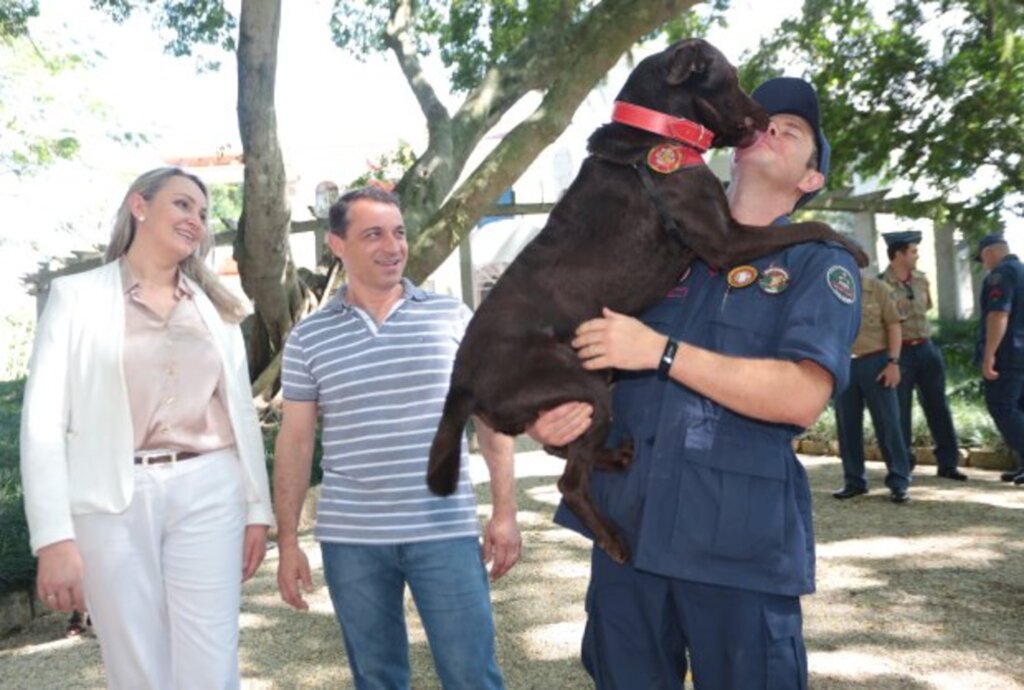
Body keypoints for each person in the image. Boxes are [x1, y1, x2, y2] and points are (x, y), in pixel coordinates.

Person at [530, 77, 861, 689]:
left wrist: (660, 351)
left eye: (790, 133)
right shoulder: (656, 249)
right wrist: (552, 421)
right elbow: (574, 359)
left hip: (735, 549)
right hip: (628, 538)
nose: (770, 130)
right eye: (761, 124)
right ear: (732, 150)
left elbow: (800, 396)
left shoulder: (817, 264)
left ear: (809, 180)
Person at [20, 167, 273, 689]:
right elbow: (42, 422)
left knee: (213, 660)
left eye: (202, 214)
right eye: (182, 205)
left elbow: (240, 415)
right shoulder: (75, 298)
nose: (195, 221)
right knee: (135, 664)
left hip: (210, 487)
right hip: (112, 498)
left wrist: (256, 509)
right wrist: (53, 538)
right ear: (140, 205)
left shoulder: (218, 308)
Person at [273, 187, 521, 689]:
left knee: (472, 674)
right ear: (337, 245)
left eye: (399, 232)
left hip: (445, 530)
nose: (393, 246)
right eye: (373, 234)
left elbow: (492, 420)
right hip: (352, 540)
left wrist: (504, 511)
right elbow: (295, 443)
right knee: (377, 678)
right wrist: (288, 542)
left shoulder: (451, 317)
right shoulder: (308, 339)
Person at [879, 230, 968, 480]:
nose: (917, 256)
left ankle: (948, 463)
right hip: (900, 352)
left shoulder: (921, 280)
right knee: (900, 410)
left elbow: (926, 305)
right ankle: (903, 464)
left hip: (927, 348)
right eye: (913, 251)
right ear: (899, 254)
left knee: (938, 405)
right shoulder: (880, 285)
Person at [833, 269, 912, 503]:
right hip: (844, 364)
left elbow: (894, 326)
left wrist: (893, 362)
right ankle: (854, 481)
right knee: (847, 426)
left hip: (876, 362)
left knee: (888, 424)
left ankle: (899, 481)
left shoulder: (877, 289)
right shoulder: (830, 289)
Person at [975, 233, 1024, 485]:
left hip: (1008, 354)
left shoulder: (1001, 275)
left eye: (983, 259)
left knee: (1002, 406)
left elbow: (998, 315)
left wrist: (989, 354)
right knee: (1019, 408)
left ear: (989, 253)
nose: (984, 265)